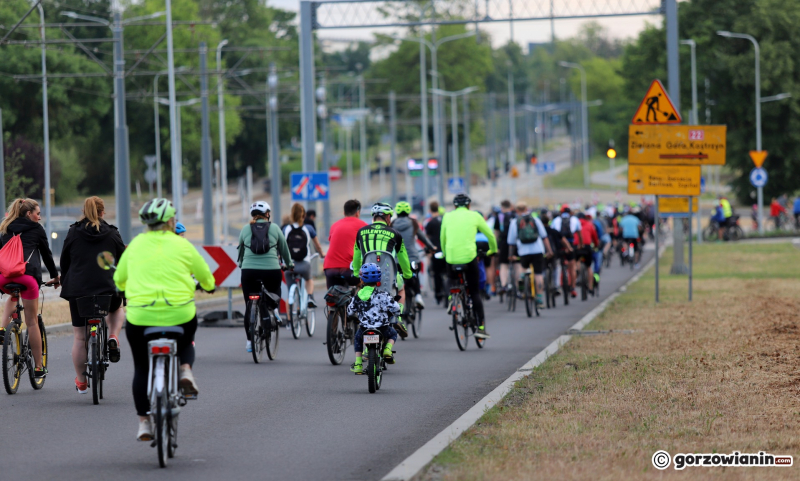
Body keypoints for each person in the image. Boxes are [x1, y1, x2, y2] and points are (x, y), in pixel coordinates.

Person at [114, 198, 215, 441]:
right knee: (187, 341)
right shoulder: (183, 245)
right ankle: (185, 370)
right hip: (180, 314)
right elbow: (206, 278)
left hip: (141, 317)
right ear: (171, 221)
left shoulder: (136, 245)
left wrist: (127, 290)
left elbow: (119, 279)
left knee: (141, 367)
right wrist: (208, 287)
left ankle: (144, 423)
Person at [60, 196, 126, 394]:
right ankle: (113, 336)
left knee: (80, 338)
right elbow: (123, 260)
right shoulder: (112, 233)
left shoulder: (73, 232)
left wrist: (64, 279)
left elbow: (64, 260)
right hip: (107, 289)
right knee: (117, 308)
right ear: (102, 212)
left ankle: (81, 382)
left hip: (79, 291)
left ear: (84, 211)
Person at [0, 198, 60, 378]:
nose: (39, 217)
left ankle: (2, 328)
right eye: (38, 213)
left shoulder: (4, 228)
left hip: (4, 278)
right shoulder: (36, 230)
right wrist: (55, 276)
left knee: (12, 295)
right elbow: (47, 255)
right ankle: (39, 367)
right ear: (29, 214)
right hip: (27, 277)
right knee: (32, 321)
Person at [238, 201, 294, 352]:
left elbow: (241, 252)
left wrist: (241, 264)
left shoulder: (245, 229)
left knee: (249, 305)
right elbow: (284, 249)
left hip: (248, 271)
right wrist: (289, 264)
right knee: (274, 289)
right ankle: (274, 310)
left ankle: (250, 341)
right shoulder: (275, 228)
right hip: (271, 271)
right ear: (267, 214)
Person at [352, 202, 413, 338]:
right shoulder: (395, 233)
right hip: (389, 277)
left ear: (374, 217)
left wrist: (356, 273)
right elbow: (403, 258)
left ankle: (359, 315)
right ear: (387, 217)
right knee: (401, 289)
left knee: (360, 290)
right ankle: (398, 317)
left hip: (367, 278)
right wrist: (408, 274)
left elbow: (356, 257)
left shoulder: (361, 232)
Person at [440, 194, 497, 339]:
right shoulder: (475, 216)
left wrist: (446, 253)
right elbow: (490, 235)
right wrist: (493, 250)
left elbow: (443, 238)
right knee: (474, 292)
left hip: (451, 257)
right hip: (469, 258)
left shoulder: (447, 216)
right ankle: (481, 327)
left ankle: (452, 299)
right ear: (469, 205)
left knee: (452, 280)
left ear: (454, 206)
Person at [347, 263, 399, 374]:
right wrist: (395, 313)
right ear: (378, 280)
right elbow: (396, 308)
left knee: (357, 339)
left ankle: (358, 363)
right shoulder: (383, 295)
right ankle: (387, 350)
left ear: (361, 280)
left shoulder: (358, 296)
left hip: (364, 329)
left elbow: (350, 311)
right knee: (393, 334)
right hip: (382, 329)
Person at [391, 201, 437, 310]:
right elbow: (423, 238)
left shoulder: (392, 224)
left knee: (396, 279)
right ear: (408, 212)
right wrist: (431, 247)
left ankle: (396, 301)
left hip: (397, 259)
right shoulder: (413, 223)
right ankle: (418, 296)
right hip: (412, 257)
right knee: (415, 275)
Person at [507, 203, 551, 307]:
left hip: (523, 251)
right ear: (527, 209)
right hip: (537, 250)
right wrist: (549, 250)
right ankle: (540, 298)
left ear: (517, 211)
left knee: (523, 268)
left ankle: (522, 281)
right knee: (538, 274)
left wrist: (510, 255)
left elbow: (511, 242)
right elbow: (544, 236)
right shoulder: (535, 220)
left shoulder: (514, 222)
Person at [283, 203, 325, 307]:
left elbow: (281, 246)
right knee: (309, 279)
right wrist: (321, 254)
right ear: (303, 215)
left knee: (290, 292)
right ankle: (310, 296)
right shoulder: (309, 228)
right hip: (304, 264)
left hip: (290, 265)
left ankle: (290, 319)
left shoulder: (286, 229)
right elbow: (318, 245)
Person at [324, 200, 366, 288]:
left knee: (332, 295)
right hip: (348, 269)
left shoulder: (334, 225)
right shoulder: (363, 226)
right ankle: (358, 301)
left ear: (344, 213)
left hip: (330, 268)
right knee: (364, 285)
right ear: (357, 213)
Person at [550, 206, 582, 297]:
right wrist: (581, 245)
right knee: (572, 267)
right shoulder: (575, 219)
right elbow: (579, 234)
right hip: (571, 244)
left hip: (559, 245)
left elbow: (553, 234)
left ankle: (557, 286)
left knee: (557, 265)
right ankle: (573, 288)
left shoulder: (556, 220)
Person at [424, 201, 446, 304]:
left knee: (437, 273)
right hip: (446, 250)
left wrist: (428, 251)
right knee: (447, 272)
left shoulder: (430, 222)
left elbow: (427, 238)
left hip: (435, 251)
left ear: (430, 210)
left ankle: (438, 294)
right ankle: (449, 292)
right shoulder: (444, 220)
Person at [492, 200, 516, 294]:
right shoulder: (515, 215)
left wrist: (496, 246)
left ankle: (503, 285)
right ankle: (518, 286)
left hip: (503, 243)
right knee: (516, 263)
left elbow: (496, 233)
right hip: (515, 242)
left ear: (502, 207)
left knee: (503, 265)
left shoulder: (499, 216)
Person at [575, 213, 600, 293]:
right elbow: (595, 238)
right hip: (587, 247)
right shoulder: (590, 225)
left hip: (577, 246)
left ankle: (577, 277)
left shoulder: (574, 224)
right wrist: (596, 246)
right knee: (589, 266)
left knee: (577, 261)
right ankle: (590, 287)